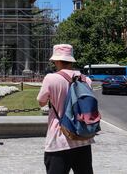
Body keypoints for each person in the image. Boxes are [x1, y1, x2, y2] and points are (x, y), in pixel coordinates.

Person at [37, 44, 94, 174]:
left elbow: (41, 102)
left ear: (56, 60)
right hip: (82, 137)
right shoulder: (86, 79)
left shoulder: (51, 78)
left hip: (59, 138)